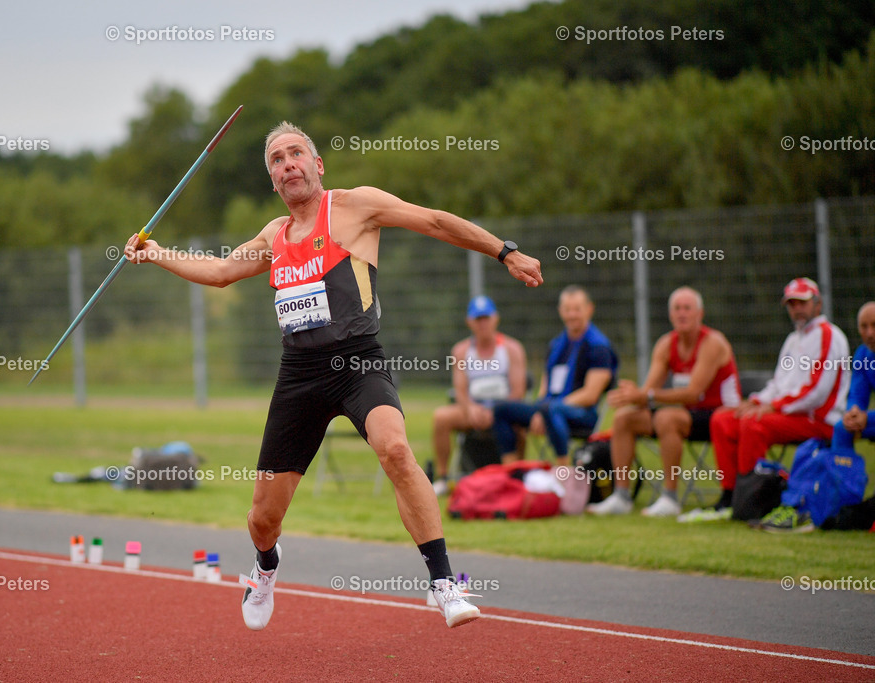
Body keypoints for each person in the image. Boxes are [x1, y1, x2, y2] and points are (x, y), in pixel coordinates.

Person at [125, 121, 542, 630]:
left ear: (317, 165)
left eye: (296, 153)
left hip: (357, 360)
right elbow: (220, 272)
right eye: (276, 160)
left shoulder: (354, 206)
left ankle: (444, 583)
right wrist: (155, 253)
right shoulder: (274, 236)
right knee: (263, 518)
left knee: (395, 449)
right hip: (299, 373)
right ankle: (265, 566)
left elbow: (433, 220)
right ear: (273, 182)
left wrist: (506, 251)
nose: (288, 164)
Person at [587, 286, 740, 517]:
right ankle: (621, 495)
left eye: (687, 308)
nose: (682, 313)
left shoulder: (712, 343)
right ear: (670, 315)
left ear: (700, 314)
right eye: (677, 309)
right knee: (624, 418)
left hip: (721, 415)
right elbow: (648, 393)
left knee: (667, 417)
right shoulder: (667, 344)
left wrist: (646, 395)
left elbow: (692, 393)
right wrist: (630, 396)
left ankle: (669, 497)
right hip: (687, 415)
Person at [709, 277, 851, 522]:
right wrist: (755, 401)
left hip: (819, 419)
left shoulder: (828, 335)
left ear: (817, 304)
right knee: (723, 419)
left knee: (753, 424)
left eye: (802, 303)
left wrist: (774, 406)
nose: (796, 309)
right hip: (788, 414)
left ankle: (753, 502)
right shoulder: (793, 339)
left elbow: (816, 391)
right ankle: (730, 495)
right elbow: (778, 384)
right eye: (791, 304)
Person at [757, 300, 875, 532]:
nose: (869, 333)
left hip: (825, 419)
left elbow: (817, 392)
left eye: (874, 325)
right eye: (863, 326)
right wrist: (854, 412)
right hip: (856, 420)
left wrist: (868, 418)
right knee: (843, 428)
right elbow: (857, 394)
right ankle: (840, 507)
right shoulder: (863, 354)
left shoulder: (829, 337)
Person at [491, 285, 617, 463]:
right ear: (560, 311)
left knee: (553, 409)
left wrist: (547, 410)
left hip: (581, 414)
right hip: (549, 408)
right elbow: (546, 386)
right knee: (502, 410)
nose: (571, 315)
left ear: (589, 309)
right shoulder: (556, 345)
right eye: (567, 309)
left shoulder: (598, 347)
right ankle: (513, 473)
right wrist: (540, 409)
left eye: (577, 309)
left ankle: (562, 473)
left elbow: (590, 395)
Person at [430, 295, 527, 496]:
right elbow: (461, 390)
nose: (482, 324)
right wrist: (471, 409)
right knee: (440, 417)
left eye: (486, 318)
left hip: (503, 410)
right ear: (469, 322)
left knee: (520, 423)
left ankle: (517, 477)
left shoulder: (512, 349)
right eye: (477, 319)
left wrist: (496, 413)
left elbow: (518, 391)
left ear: (495, 319)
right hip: (473, 410)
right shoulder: (461, 351)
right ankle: (443, 478)